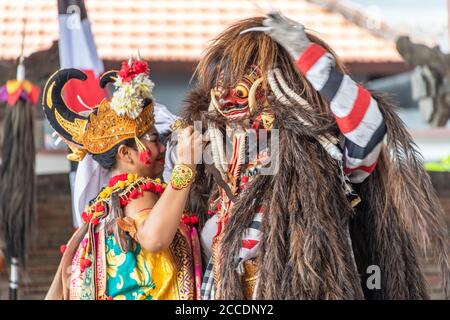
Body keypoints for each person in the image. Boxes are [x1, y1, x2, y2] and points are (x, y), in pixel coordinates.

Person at [181, 13, 450, 299]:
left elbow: (367, 126)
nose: (224, 98)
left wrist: (306, 55)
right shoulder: (217, 156)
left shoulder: (322, 149)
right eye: (218, 87)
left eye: (237, 86)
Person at [43, 58, 203, 300]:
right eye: (153, 140)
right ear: (125, 153)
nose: (161, 148)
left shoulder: (104, 206)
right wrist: (185, 167)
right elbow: (154, 238)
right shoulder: (138, 192)